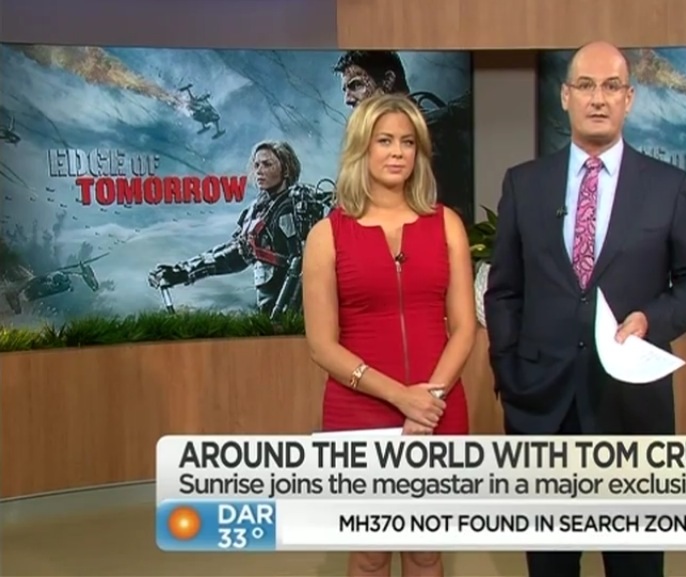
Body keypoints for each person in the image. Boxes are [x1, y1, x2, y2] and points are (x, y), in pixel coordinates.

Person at [484, 41, 686, 577]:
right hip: (541, 407)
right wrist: (510, 372)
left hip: (631, 409)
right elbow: (504, 292)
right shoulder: (524, 184)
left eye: (611, 86)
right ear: (565, 96)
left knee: (635, 564)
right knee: (550, 566)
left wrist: (651, 319)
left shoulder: (670, 188)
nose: (598, 98)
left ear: (629, 99)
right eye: (586, 86)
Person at [302, 93, 476, 577]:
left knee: (425, 551)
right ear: (362, 147)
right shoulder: (326, 235)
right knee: (370, 553)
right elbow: (321, 345)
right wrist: (402, 397)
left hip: (438, 406)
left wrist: (429, 400)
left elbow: (464, 328)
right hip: (359, 409)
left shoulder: (447, 225)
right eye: (385, 141)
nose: (398, 152)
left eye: (408, 142)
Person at [147, 140, 326, 319]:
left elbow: (302, 265)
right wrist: (183, 271)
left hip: (296, 314)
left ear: (285, 169)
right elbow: (234, 254)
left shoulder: (296, 207)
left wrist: (286, 314)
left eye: (267, 164)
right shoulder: (258, 210)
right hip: (270, 311)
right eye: (256, 165)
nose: (259, 170)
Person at [333, 50, 475, 225]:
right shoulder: (361, 148)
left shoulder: (437, 131)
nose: (347, 99)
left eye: (356, 85)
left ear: (388, 80)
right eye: (345, 90)